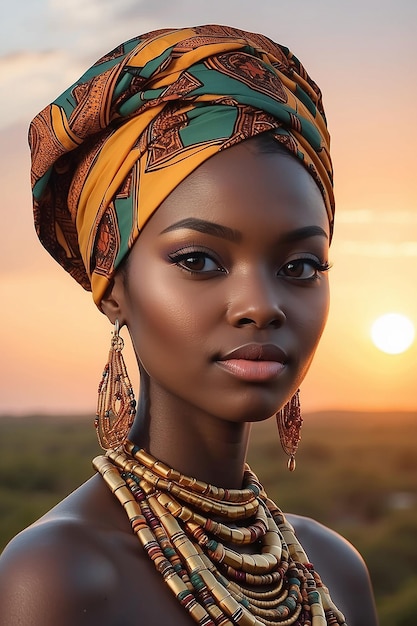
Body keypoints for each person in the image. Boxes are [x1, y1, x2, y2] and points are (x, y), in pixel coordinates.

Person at [0, 25, 379, 625]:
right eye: (199, 261)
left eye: (299, 265)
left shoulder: (335, 570)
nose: (260, 304)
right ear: (114, 286)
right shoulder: (57, 576)